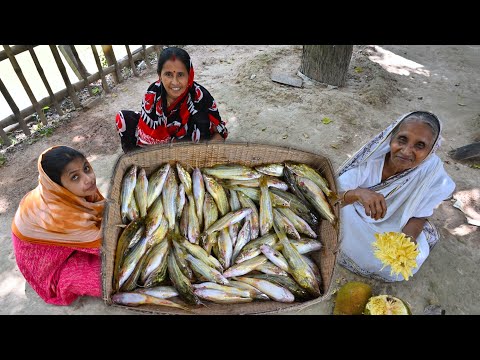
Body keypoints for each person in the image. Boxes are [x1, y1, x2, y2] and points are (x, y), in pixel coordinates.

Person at [335, 111, 455, 282]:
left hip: (394, 227)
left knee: (410, 259)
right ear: (391, 138)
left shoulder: (432, 174)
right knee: (331, 217)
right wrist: (357, 193)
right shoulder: (370, 162)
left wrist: (406, 241)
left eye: (420, 145)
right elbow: (329, 197)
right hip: (355, 217)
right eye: (402, 140)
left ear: (431, 151)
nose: (406, 151)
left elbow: (419, 215)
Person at [11, 146, 105, 305]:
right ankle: (61, 283)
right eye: (75, 177)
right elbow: (106, 247)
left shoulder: (62, 194)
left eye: (86, 168)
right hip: (47, 267)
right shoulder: (61, 215)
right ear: (57, 186)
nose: (88, 179)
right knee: (114, 276)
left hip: (60, 244)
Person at [115, 46, 229, 153]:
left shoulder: (201, 97)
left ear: (189, 75)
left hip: (189, 143)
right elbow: (148, 131)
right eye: (168, 74)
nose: (175, 82)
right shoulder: (153, 94)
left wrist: (205, 152)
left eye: (180, 75)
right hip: (160, 140)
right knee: (123, 119)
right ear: (160, 75)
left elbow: (219, 133)